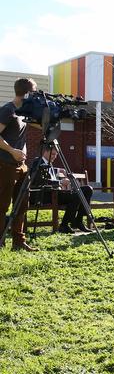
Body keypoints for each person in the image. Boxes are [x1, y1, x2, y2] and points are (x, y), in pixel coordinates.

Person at [0, 78, 38, 251]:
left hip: (21, 166)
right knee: (2, 204)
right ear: (27, 93)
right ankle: (0, 241)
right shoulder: (8, 110)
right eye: (34, 92)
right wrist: (12, 151)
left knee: (22, 204)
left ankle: (18, 241)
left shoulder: (24, 113)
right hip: (5, 164)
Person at [30, 145, 93, 234]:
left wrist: (60, 170)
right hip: (45, 195)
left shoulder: (48, 163)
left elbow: (51, 173)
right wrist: (60, 182)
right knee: (76, 196)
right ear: (45, 152)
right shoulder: (38, 162)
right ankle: (64, 225)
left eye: (56, 155)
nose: (54, 157)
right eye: (53, 154)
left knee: (87, 189)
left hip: (54, 193)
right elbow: (39, 180)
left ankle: (79, 220)